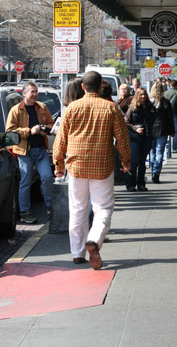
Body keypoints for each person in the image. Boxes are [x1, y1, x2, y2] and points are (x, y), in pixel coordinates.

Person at [53, 71, 130, 269]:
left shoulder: (72, 108)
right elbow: (122, 138)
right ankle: (94, 240)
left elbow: (61, 139)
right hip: (102, 165)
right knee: (103, 208)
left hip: (76, 165)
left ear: (82, 87)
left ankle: (77, 253)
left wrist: (58, 164)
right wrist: (126, 160)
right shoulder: (110, 108)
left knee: (78, 208)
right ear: (101, 87)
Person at [5, 81, 55, 224]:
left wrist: (45, 128)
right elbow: (10, 132)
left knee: (46, 177)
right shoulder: (16, 110)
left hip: (40, 150)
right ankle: (25, 212)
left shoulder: (42, 107)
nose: (35, 94)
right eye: (32, 92)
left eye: (36, 91)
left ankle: (50, 208)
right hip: (24, 152)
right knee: (25, 181)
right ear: (24, 93)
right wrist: (29, 131)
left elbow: (51, 124)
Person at [124, 88, 155, 192]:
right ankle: (130, 184)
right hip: (134, 138)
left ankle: (141, 184)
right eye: (141, 95)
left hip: (147, 137)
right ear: (137, 95)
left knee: (142, 162)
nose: (143, 96)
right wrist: (135, 128)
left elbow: (155, 120)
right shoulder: (132, 108)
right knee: (134, 161)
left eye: (145, 94)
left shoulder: (151, 107)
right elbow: (126, 122)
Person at [148, 81, 174, 184]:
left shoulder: (149, 102)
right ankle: (156, 173)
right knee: (160, 152)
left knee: (152, 152)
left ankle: (153, 171)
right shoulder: (166, 102)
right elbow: (170, 118)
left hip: (151, 130)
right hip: (163, 129)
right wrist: (172, 131)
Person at [164, 79, 177, 156]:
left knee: (167, 130)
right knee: (175, 131)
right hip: (174, 114)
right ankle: (174, 148)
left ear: (170, 85)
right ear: (176, 86)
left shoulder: (165, 93)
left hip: (166, 114)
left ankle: (167, 149)